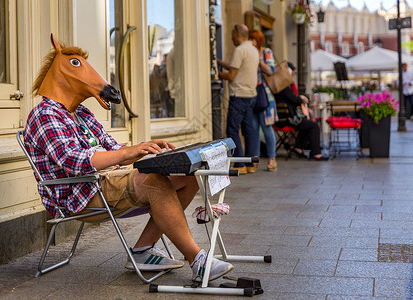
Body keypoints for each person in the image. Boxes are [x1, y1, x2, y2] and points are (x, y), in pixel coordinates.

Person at [24, 35, 233, 283]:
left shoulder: (81, 113)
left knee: (186, 177)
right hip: (78, 193)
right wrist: (128, 153)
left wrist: (147, 149)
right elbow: (74, 162)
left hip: (104, 181)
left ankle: (143, 250)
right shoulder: (44, 114)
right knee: (154, 180)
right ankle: (197, 260)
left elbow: (113, 149)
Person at [217, 24, 259, 175]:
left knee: (232, 130)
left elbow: (231, 76)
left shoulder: (239, 50)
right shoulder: (253, 50)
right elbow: (238, 68)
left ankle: (240, 163)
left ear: (238, 34)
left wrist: (215, 74)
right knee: (249, 130)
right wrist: (220, 63)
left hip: (239, 96)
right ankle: (250, 164)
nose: (231, 37)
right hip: (251, 96)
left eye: (232, 34)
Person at [249, 30, 279, 172]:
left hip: (265, 95)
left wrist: (259, 61)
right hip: (251, 94)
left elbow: (271, 70)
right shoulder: (249, 52)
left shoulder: (267, 52)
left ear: (258, 40)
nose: (251, 42)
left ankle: (272, 159)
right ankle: (255, 159)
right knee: (253, 128)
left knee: (266, 127)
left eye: (253, 39)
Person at [273, 85, 328, 161]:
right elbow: (296, 100)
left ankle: (297, 147)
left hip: (279, 120)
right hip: (288, 121)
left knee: (306, 123)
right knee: (313, 126)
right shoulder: (285, 88)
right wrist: (302, 98)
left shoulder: (275, 88)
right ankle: (315, 153)